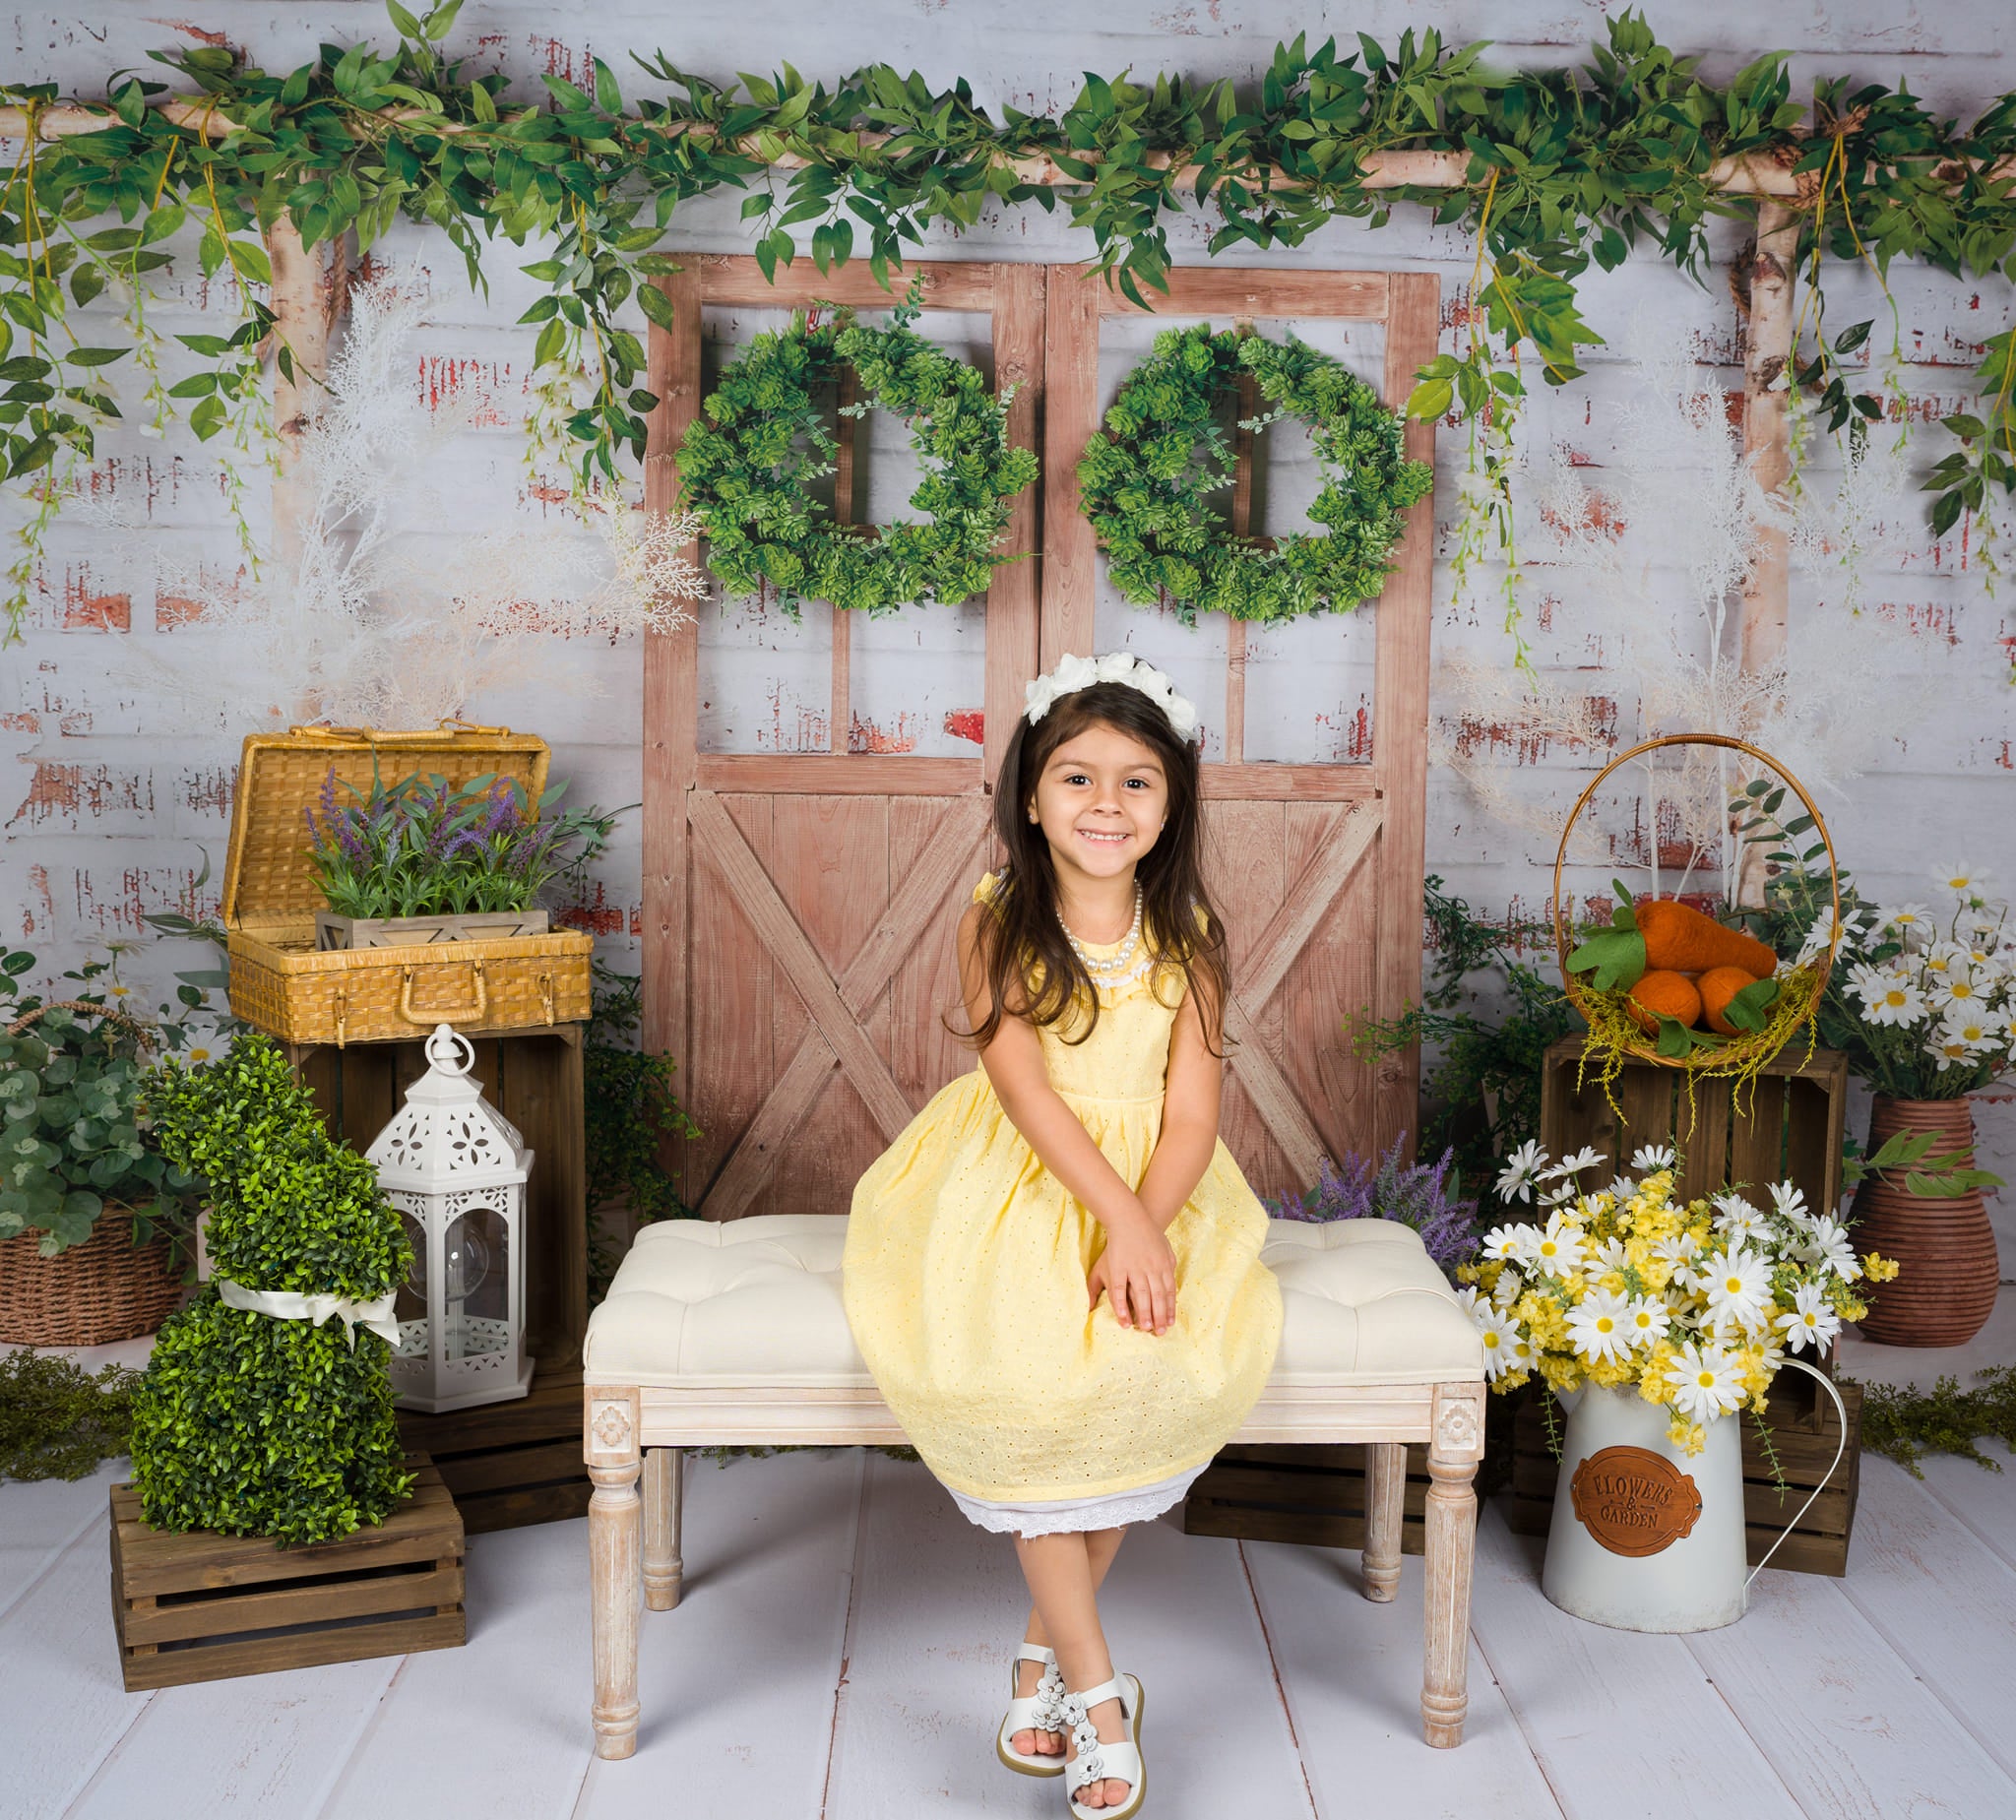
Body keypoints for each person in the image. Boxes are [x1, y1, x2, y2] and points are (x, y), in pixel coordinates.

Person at [843, 651, 1285, 1819]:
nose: (1105, 804)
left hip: (1160, 1182)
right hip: (1018, 1178)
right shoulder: (995, 920)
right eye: (1076, 778)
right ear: (1029, 796)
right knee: (1038, 1386)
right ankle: (1098, 1697)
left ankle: (1036, 1664)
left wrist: (1148, 1224)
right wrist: (1111, 1216)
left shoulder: (1188, 936)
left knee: (1139, 1366)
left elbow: (1191, 1112)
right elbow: (1027, 1096)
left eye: (1136, 782)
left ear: (1171, 804)